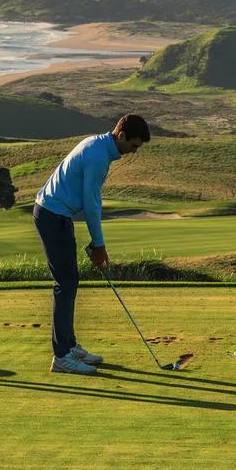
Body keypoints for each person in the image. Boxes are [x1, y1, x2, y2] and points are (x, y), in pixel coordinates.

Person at [33, 113, 150, 373]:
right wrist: (99, 245)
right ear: (121, 135)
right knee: (65, 283)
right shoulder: (98, 156)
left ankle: (69, 345)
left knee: (69, 281)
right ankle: (62, 356)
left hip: (56, 214)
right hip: (53, 215)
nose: (133, 152)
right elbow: (91, 205)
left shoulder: (98, 145)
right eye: (133, 146)